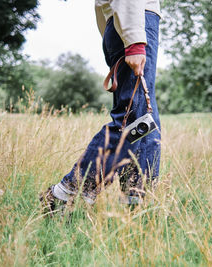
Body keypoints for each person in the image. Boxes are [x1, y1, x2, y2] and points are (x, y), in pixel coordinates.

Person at [40, 0, 161, 215]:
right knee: (132, 121)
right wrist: (133, 38)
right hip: (133, 19)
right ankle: (63, 193)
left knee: (146, 123)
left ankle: (136, 205)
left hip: (126, 21)